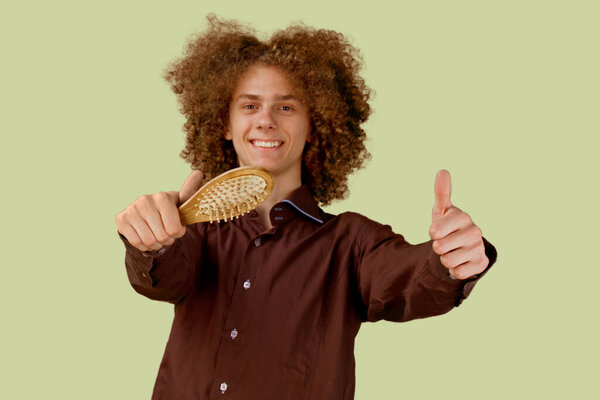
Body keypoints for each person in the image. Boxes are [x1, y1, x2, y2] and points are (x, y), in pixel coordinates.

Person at [115, 15, 498, 400]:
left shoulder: (351, 242)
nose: (265, 121)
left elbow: (413, 280)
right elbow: (160, 277)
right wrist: (151, 239)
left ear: (314, 124)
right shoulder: (193, 230)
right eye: (249, 105)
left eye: (285, 107)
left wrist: (450, 260)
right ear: (224, 124)